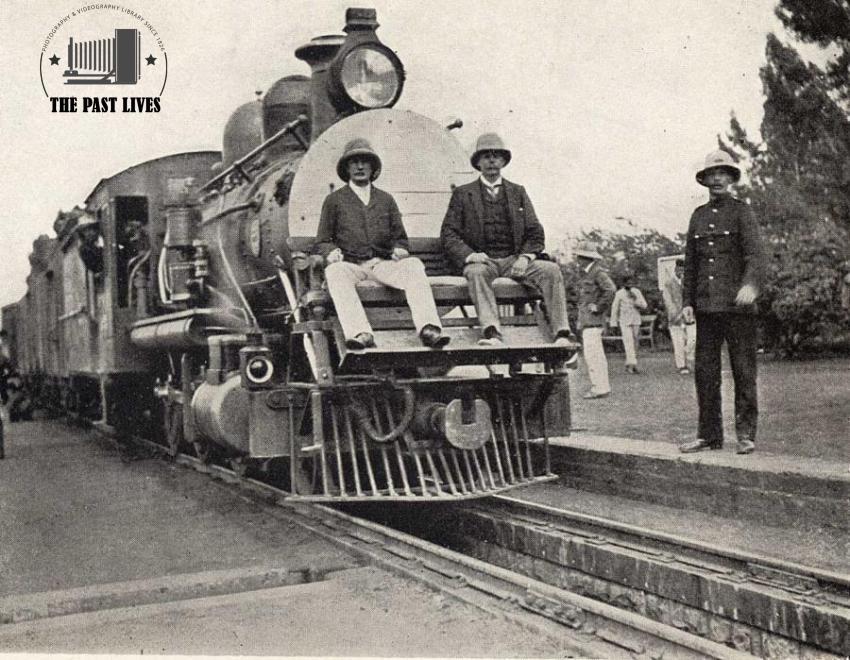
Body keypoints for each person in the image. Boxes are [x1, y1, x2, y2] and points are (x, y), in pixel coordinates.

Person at [440, 133, 578, 349]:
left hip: (515, 260)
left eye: (496, 156)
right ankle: (492, 331)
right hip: (484, 263)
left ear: (504, 161)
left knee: (550, 270)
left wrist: (524, 258)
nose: (492, 161)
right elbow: (449, 234)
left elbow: (535, 231)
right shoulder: (463, 194)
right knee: (475, 273)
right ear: (478, 163)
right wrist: (471, 255)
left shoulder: (517, 192)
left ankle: (561, 332)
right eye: (486, 157)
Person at [316, 138, 449, 351]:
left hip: (382, 265)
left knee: (414, 265)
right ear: (346, 168)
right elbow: (322, 240)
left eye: (365, 162)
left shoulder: (386, 200)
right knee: (334, 272)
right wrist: (330, 252)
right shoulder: (334, 200)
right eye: (354, 162)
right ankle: (361, 333)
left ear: (372, 167)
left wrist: (400, 248)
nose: (360, 167)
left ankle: (429, 328)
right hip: (352, 266)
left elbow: (401, 237)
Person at [680, 150, 765, 455]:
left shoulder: (742, 212)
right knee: (705, 374)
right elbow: (690, 264)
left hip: (737, 308)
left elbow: (755, 255)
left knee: (743, 371)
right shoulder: (698, 216)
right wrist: (687, 301)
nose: (716, 179)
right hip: (706, 308)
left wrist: (751, 285)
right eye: (711, 174)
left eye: (722, 174)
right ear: (705, 181)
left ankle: (745, 434)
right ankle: (709, 436)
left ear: (730, 179)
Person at [575, 242, 616, 398]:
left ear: (586, 258)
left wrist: (598, 307)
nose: (577, 259)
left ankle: (599, 387)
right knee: (594, 355)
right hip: (588, 321)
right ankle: (601, 386)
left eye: (580, 256)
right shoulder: (588, 273)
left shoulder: (597, 273)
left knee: (593, 355)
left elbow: (610, 289)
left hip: (593, 321)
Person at [662, 258, 697, 374]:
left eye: (683, 270)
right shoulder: (668, 283)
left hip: (689, 315)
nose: (681, 272)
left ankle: (689, 355)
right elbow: (668, 300)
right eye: (679, 269)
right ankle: (681, 365)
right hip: (675, 316)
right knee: (678, 341)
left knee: (693, 338)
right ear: (675, 269)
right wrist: (675, 314)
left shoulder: (689, 282)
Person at [609, 274, 648, 374]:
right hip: (624, 321)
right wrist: (613, 323)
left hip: (635, 320)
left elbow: (644, 305)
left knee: (634, 342)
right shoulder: (619, 294)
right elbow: (615, 308)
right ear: (624, 283)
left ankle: (630, 363)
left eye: (631, 282)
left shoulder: (637, 292)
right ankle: (632, 365)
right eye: (627, 282)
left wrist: (635, 300)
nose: (629, 284)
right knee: (628, 342)